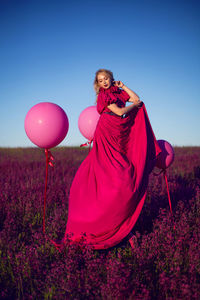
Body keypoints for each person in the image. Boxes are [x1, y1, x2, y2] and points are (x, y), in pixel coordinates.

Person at [63, 69, 161, 250]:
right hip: (108, 132)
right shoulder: (103, 97)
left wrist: (124, 87)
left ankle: (122, 227)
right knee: (114, 174)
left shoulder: (116, 91)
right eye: (101, 80)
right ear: (98, 84)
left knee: (126, 171)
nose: (104, 82)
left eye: (106, 79)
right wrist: (135, 106)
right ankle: (110, 225)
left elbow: (135, 97)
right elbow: (119, 111)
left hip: (119, 131)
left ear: (111, 79)